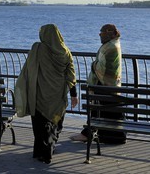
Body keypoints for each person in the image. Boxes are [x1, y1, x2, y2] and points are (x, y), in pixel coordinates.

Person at [15, 24, 78, 164]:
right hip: (57, 95)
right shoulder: (65, 51)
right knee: (55, 122)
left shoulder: (38, 48)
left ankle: (41, 151)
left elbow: (28, 69)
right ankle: (48, 148)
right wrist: (74, 95)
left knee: (39, 123)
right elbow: (71, 75)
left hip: (38, 94)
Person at [70, 23, 126, 144]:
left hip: (104, 85)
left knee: (97, 110)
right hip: (110, 85)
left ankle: (88, 134)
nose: (99, 35)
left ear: (108, 33)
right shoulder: (113, 44)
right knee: (101, 111)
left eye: (101, 33)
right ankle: (89, 133)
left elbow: (102, 68)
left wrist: (93, 64)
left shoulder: (110, 47)